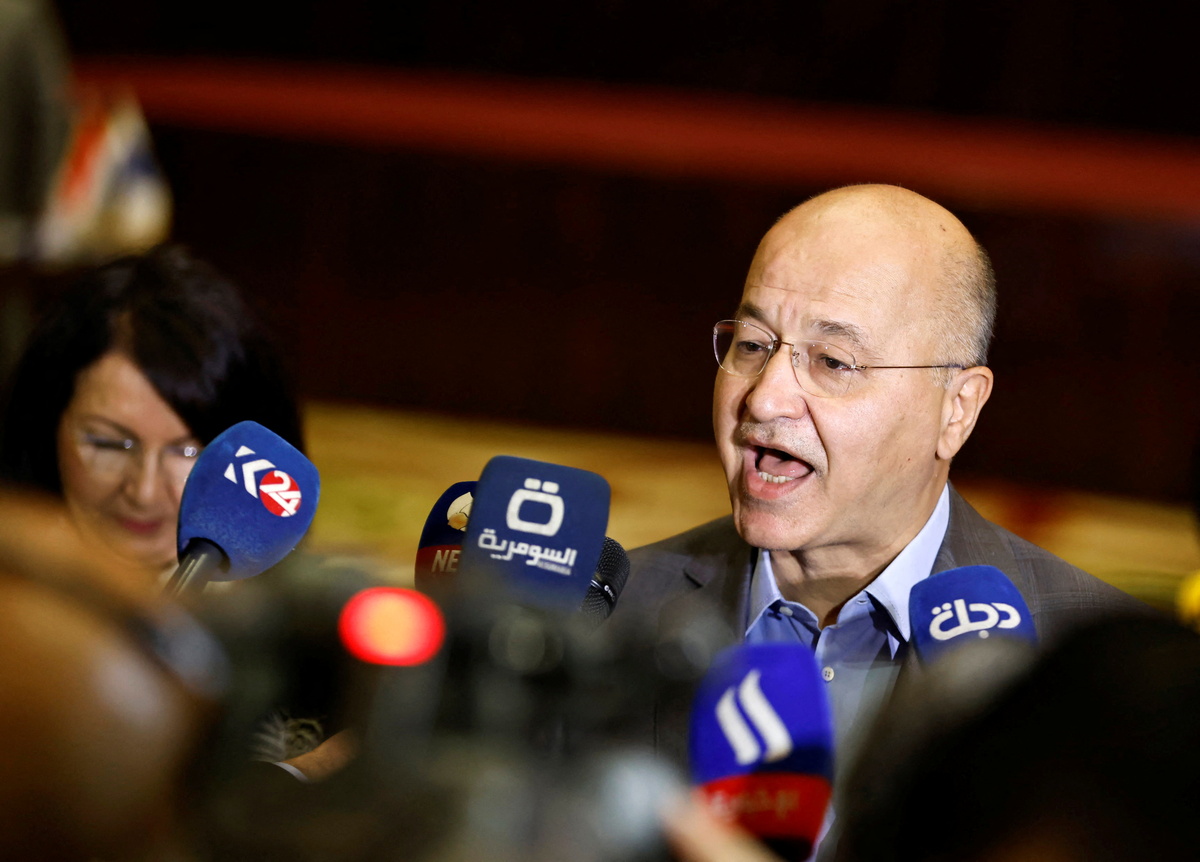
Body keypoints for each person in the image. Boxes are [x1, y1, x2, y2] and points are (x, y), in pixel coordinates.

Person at [609, 184, 1148, 857]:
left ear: (957, 408)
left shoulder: (1101, 679)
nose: (765, 397)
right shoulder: (609, 613)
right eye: (751, 344)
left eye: (833, 362)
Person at [0, 243, 304, 583]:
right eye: (108, 444)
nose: (143, 493)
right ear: (43, 427)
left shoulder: (283, 607)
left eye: (189, 452)